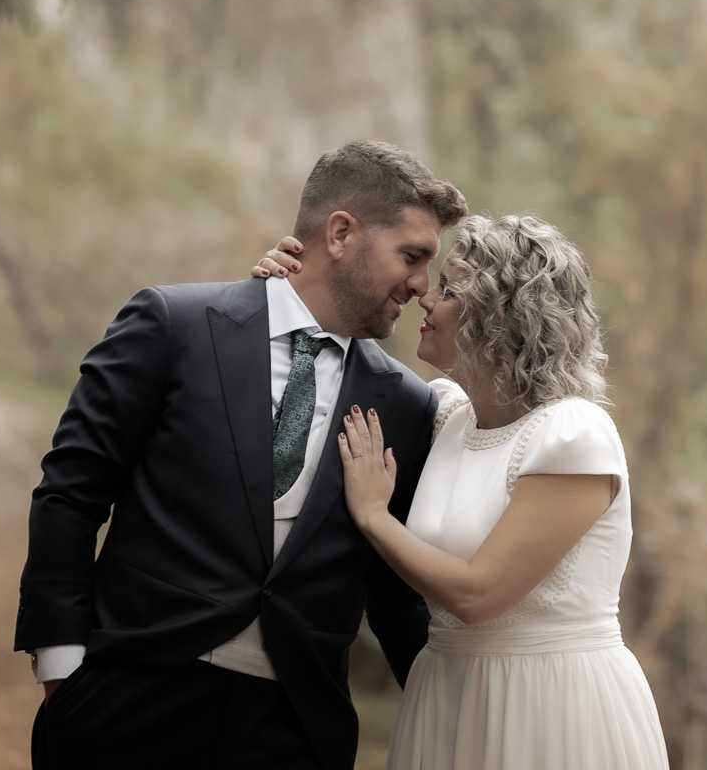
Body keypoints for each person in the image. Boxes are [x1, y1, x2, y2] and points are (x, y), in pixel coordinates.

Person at [16, 141, 467, 770]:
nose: (422, 285)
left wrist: (462, 712)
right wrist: (62, 671)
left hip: (293, 731)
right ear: (340, 234)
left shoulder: (410, 406)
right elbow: (71, 494)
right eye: (412, 257)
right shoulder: (172, 324)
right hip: (126, 702)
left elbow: (392, 592)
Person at [253, 213, 669, 770]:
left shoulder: (574, 434)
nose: (424, 296)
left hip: (549, 705)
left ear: (499, 316)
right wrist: (283, 299)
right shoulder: (448, 414)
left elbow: (478, 595)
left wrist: (375, 516)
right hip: (446, 698)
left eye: (448, 288)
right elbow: (330, 385)